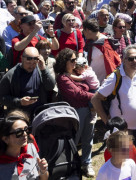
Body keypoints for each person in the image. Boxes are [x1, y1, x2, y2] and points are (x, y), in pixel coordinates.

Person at [91, 46, 136, 157]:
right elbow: (95, 99)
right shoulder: (115, 77)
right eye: (131, 59)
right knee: (120, 161)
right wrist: (107, 122)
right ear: (123, 59)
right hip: (120, 131)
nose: (135, 61)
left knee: (133, 158)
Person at [54, 49, 96, 177]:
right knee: (74, 140)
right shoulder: (63, 78)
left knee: (88, 138)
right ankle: (70, 164)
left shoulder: (77, 72)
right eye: (72, 60)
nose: (75, 62)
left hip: (88, 109)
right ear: (64, 62)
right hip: (76, 112)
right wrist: (96, 96)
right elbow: (77, 94)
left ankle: (86, 163)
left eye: (75, 60)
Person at [0, 114, 49, 180]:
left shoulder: (31, 148)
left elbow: (44, 178)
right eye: (18, 132)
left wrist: (43, 171)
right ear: (5, 139)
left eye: (26, 129)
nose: (25, 134)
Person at [0, 46, 56, 119]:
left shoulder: (41, 69)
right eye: (28, 62)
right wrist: (19, 101)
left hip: (40, 113)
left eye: (34, 62)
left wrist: (44, 70)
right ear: (22, 58)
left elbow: (50, 86)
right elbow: (1, 98)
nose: (31, 65)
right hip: (20, 116)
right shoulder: (11, 75)